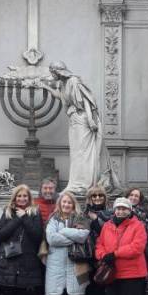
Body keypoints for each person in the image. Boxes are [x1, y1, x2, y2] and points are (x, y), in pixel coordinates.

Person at [40, 61, 121, 195]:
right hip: (74, 120)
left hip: (83, 119)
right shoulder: (62, 84)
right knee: (76, 153)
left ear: (57, 71)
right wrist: (46, 87)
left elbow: (88, 102)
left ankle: (84, 184)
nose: (51, 75)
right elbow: (61, 97)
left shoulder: (74, 81)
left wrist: (91, 121)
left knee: (84, 153)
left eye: (52, 72)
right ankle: (76, 183)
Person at [96, 197, 147, 295]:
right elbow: (99, 244)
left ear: (130, 210)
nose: (121, 211)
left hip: (132, 274)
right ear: (114, 210)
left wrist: (115, 254)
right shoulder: (107, 226)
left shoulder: (138, 225)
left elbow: (137, 247)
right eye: (118, 208)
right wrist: (102, 255)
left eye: (124, 208)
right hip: (112, 274)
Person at [45, 191, 90, 295]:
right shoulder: (53, 218)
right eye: (64, 202)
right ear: (60, 203)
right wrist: (73, 237)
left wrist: (63, 231)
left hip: (77, 265)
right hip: (56, 266)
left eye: (69, 202)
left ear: (73, 204)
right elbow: (51, 239)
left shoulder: (80, 217)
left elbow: (83, 235)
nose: (66, 205)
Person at [82, 186, 112, 295]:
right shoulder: (83, 213)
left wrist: (96, 220)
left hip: (102, 259)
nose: (98, 198)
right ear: (90, 198)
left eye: (100, 195)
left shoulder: (110, 213)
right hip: (86, 258)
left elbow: (108, 233)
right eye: (94, 196)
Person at [125, 187, 148, 295]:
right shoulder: (119, 211)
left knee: (141, 293)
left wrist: (143, 250)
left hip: (141, 257)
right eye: (131, 195)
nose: (134, 197)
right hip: (123, 260)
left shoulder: (143, 214)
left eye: (137, 196)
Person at [33, 178, 58, 295]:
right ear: (41, 189)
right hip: (39, 254)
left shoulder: (60, 203)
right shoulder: (34, 204)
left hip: (57, 255)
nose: (48, 190)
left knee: (56, 292)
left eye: (51, 188)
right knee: (42, 293)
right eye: (45, 188)